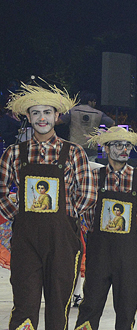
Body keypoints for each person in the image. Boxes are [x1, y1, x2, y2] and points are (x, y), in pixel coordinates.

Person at [0, 82, 97, 330]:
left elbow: (87, 194)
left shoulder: (74, 152)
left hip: (62, 238)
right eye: (35, 113)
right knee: (24, 304)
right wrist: (20, 216)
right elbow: (1, 192)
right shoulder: (13, 153)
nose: (41, 118)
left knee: (58, 306)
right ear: (29, 117)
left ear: (57, 116)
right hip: (26, 240)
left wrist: (65, 217)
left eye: (46, 112)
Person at [74, 126, 137, 330]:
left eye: (127, 145)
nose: (123, 149)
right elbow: (87, 216)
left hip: (129, 253)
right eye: (118, 145)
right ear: (106, 149)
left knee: (127, 306)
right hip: (100, 252)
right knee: (91, 303)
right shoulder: (94, 176)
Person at [57, 91, 115, 161]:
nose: (95, 103)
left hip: (75, 146)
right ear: (90, 101)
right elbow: (112, 124)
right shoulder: (99, 113)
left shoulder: (73, 111)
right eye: (94, 102)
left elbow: (58, 121)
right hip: (91, 148)